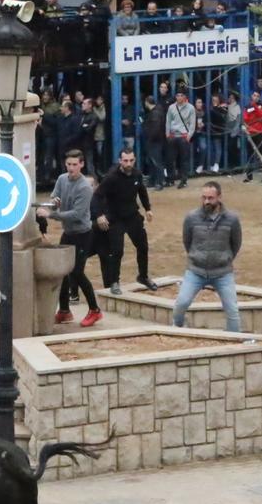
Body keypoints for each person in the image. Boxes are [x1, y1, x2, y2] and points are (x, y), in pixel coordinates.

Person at [40, 150, 103, 328]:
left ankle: (95, 310)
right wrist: (53, 202)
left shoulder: (84, 187)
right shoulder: (62, 179)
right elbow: (55, 197)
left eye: (75, 164)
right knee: (62, 271)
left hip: (83, 234)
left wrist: (51, 214)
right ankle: (64, 311)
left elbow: (77, 214)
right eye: (69, 164)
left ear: (81, 164)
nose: (71, 168)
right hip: (68, 233)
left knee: (77, 272)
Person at [173, 182, 243, 332]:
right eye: (204, 197)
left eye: (210, 198)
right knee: (181, 303)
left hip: (223, 272)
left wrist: (226, 257)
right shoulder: (191, 218)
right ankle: (177, 327)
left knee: (232, 310)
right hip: (195, 270)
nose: (206, 201)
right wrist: (196, 256)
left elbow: (236, 243)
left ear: (219, 197)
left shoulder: (232, 219)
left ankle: (234, 340)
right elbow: (187, 241)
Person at [94, 148, 156, 294]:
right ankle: (114, 282)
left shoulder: (137, 174)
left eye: (131, 160)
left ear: (134, 160)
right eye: (125, 160)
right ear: (120, 161)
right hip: (115, 218)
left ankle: (143, 276)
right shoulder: (111, 178)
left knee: (143, 247)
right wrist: (99, 215)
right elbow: (97, 196)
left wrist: (147, 208)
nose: (128, 163)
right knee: (117, 251)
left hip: (132, 216)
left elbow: (142, 191)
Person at [165, 89, 196, 189]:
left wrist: (188, 136)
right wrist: (167, 134)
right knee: (170, 159)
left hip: (183, 136)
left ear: (185, 97)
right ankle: (170, 179)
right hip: (173, 136)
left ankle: (183, 180)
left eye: (181, 95)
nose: (179, 97)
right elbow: (168, 121)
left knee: (184, 160)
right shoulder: (171, 107)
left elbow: (192, 123)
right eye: (177, 95)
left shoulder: (191, 108)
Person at [242, 92, 262, 184]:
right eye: (254, 95)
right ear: (251, 96)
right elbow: (246, 118)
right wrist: (254, 110)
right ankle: (249, 176)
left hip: (261, 133)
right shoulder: (247, 107)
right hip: (251, 133)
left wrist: (255, 107)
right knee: (250, 155)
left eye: (258, 96)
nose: (256, 97)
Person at [141, 95, 168, 190]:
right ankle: (153, 181)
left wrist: (150, 138)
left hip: (154, 141)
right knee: (153, 162)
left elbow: (155, 129)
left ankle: (160, 183)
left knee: (156, 162)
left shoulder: (155, 113)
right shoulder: (157, 111)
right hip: (156, 141)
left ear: (147, 102)